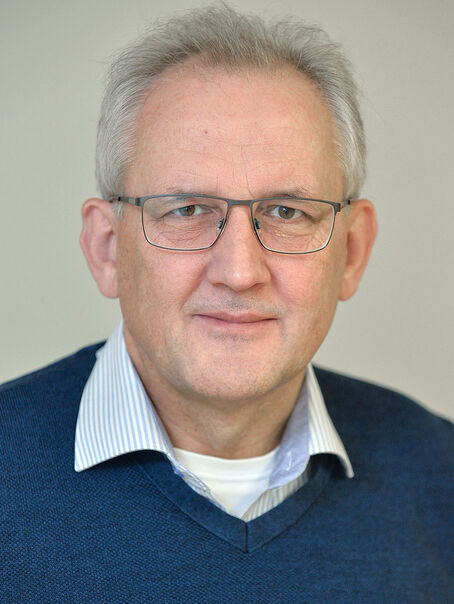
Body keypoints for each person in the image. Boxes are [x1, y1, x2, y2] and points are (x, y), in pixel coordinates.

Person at [1, 4, 452, 602]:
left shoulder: (440, 472)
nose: (239, 273)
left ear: (351, 251)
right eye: (187, 209)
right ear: (107, 248)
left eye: (287, 211)